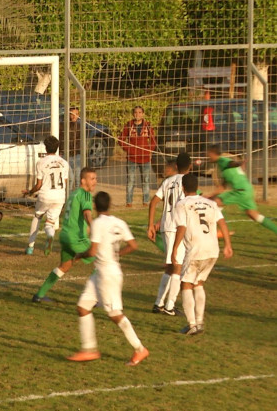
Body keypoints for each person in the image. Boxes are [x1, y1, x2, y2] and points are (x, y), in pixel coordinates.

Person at [66, 192, 149, 366]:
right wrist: (117, 254)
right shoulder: (120, 222)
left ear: (95, 206)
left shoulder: (97, 224)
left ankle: (140, 349)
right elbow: (133, 245)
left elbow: (92, 251)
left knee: (114, 314)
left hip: (107, 275)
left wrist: (79, 256)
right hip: (102, 272)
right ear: (110, 204)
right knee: (83, 307)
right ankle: (89, 349)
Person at [171, 174, 233, 335]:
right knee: (198, 283)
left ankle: (192, 325)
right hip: (212, 250)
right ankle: (199, 322)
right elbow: (222, 223)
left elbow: (182, 227)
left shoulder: (182, 204)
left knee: (186, 284)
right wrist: (227, 244)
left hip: (196, 249)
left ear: (183, 188)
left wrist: (175, 248)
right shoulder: (210, 203)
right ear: (197, 186)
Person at [32, 167, 97, 302]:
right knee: (101, 261)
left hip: (65, 236)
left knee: (64, 266)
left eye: (95, 178)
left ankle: (39, 295)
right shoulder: (85, 194)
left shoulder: (74, 194)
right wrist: (94, 227)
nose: (95, 182)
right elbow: (86, 213)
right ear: (83, 180)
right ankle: (90, 299)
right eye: (92, 179)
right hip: (76, 238)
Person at [147, 152, 192, 316]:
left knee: (170, 266)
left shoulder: (168, 181)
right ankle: (170, 306)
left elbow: (153, 202)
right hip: (177, 227)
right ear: (191, 167)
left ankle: (159, 303)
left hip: (166, 226)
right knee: (177, 267)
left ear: (175, 166)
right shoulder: (187, 182)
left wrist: (151, 224)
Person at [207, 145, 277, 235]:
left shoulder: (223, 161)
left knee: (216, 203)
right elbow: (222, 187)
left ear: (213, 153)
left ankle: (226, 230)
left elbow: (231, 163)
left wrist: (239, 163)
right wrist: (210, 194)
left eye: (209, 154)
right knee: (253, 215)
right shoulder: (221, 165)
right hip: (247, 190)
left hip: (240, 191)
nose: (208, 156)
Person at [22, 135, 69, 255]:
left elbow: (38, 185)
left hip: (45, 195)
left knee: (37, 216)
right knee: (50, 223)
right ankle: (50, 235)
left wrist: (29, 192)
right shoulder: (64, 163)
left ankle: (30, 247)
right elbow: (65, 182)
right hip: (59, 196)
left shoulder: (41, 162)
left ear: (45, 148)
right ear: (57, 148)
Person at [119, 106, 157, 207]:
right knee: (131, 180)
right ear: (133, 114)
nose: (138, 114)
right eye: (136, 112)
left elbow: (153, 141)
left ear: (143, 114)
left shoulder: (148, 126)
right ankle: (129, 202)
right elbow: (121, 140)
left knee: (146, 180)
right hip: (132, 158)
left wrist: (148, 150)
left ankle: (145, 201)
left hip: (145, 158)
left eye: (140, 112)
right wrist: (129, 149)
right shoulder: (128, 126)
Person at [60, 107, 81, 189]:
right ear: (68, 114)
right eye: (72, 114)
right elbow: (60, 139)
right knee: (70, 179)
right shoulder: (62, 126)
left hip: (77, 155)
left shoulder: (80, 126)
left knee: (77, 179)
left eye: (76, 114)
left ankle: (77, 199)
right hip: (66, 155)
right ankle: (68, 198)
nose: (74, 116)